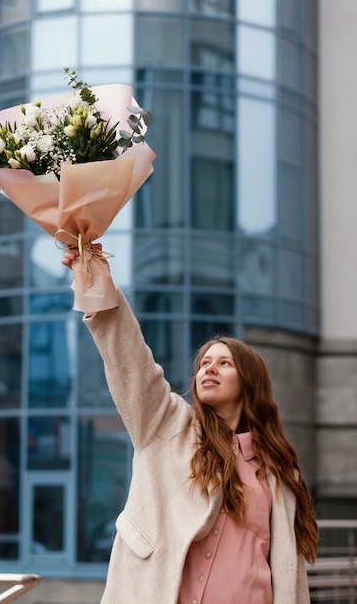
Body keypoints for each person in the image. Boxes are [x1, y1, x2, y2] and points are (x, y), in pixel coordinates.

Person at [63, 251, 319, 604]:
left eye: (224, 363)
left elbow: (288, 567)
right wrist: (97, 287)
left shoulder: (277, 468)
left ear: (250, 382)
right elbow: (131, 361)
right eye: (204, 363)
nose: (208, 369)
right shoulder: (166, 425)